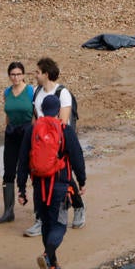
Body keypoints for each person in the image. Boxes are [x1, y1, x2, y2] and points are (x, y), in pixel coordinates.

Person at [28, 95, 87, 269]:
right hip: (60, 185)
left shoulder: (33, 130)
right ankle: (47, 255)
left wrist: (21, 187)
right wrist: (82, 180)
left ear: (42, 109)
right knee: (60, 225)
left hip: (39, 187)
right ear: (58, 109)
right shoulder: (65, 130)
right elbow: (77, 157)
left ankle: (52, 264)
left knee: (46, 224)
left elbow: (23, 158)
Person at [30, 57, 85, 230]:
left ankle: (78, 206)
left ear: (46, 74)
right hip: (41, 142)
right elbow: (35, 117)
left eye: (38, 72)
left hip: (59, 143)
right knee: (38, 178)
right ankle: (40, 217)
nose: (35, 75)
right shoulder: (37, 91)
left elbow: (64, 119)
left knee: (66, 178)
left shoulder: (62, 93)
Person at [0, 62, 36, 223]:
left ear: (23, 75)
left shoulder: (30, 91)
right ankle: (8, 211)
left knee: (32, 170)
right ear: (9, 75)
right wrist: (7, 128)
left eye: (19, 74)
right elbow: (7, 113)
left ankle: (39, 210)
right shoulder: (7, 92)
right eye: (13, 74)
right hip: (12, 132)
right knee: (8, 172)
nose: (16, 77)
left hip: (28, 131)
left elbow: (36, 114)